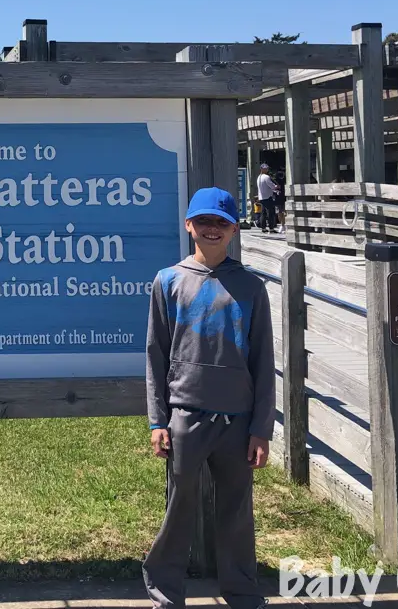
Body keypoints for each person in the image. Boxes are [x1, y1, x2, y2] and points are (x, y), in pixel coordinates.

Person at [142, 187, 275, 609]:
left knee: (236, 513)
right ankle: (164, 588)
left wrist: (260, 429)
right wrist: (157, 420)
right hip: (185, 415)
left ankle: (241, 591)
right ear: (189, 226)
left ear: (234, 229)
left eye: (221, 222)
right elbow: (155, 355)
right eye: (204, 222)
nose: (212, 229)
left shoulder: (252, 288)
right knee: (179, 506)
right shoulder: (168, 281)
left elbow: (263, 362)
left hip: (236, 421)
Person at [255, 163, 278, 233]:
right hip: (268, 197)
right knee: (270, 213)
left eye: (267, 168)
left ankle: (263, 228)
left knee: (263, 213)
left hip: (262, 197)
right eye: (265, 168)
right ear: (262, 169)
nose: (267, 170)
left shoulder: (259, 177)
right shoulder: (266, 177)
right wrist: (276, 187)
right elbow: (272, 186)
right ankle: (271, 228)